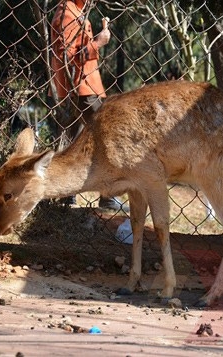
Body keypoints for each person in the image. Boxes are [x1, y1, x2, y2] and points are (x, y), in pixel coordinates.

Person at [50, 0, 124, 211]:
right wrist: (98, 42)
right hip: (82, 88)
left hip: (78, 87)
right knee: (107, 136)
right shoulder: (67, 13)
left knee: (73, 141)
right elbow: (69, 57)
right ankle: (108, 196)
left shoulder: (73, 10)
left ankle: (67, 196)